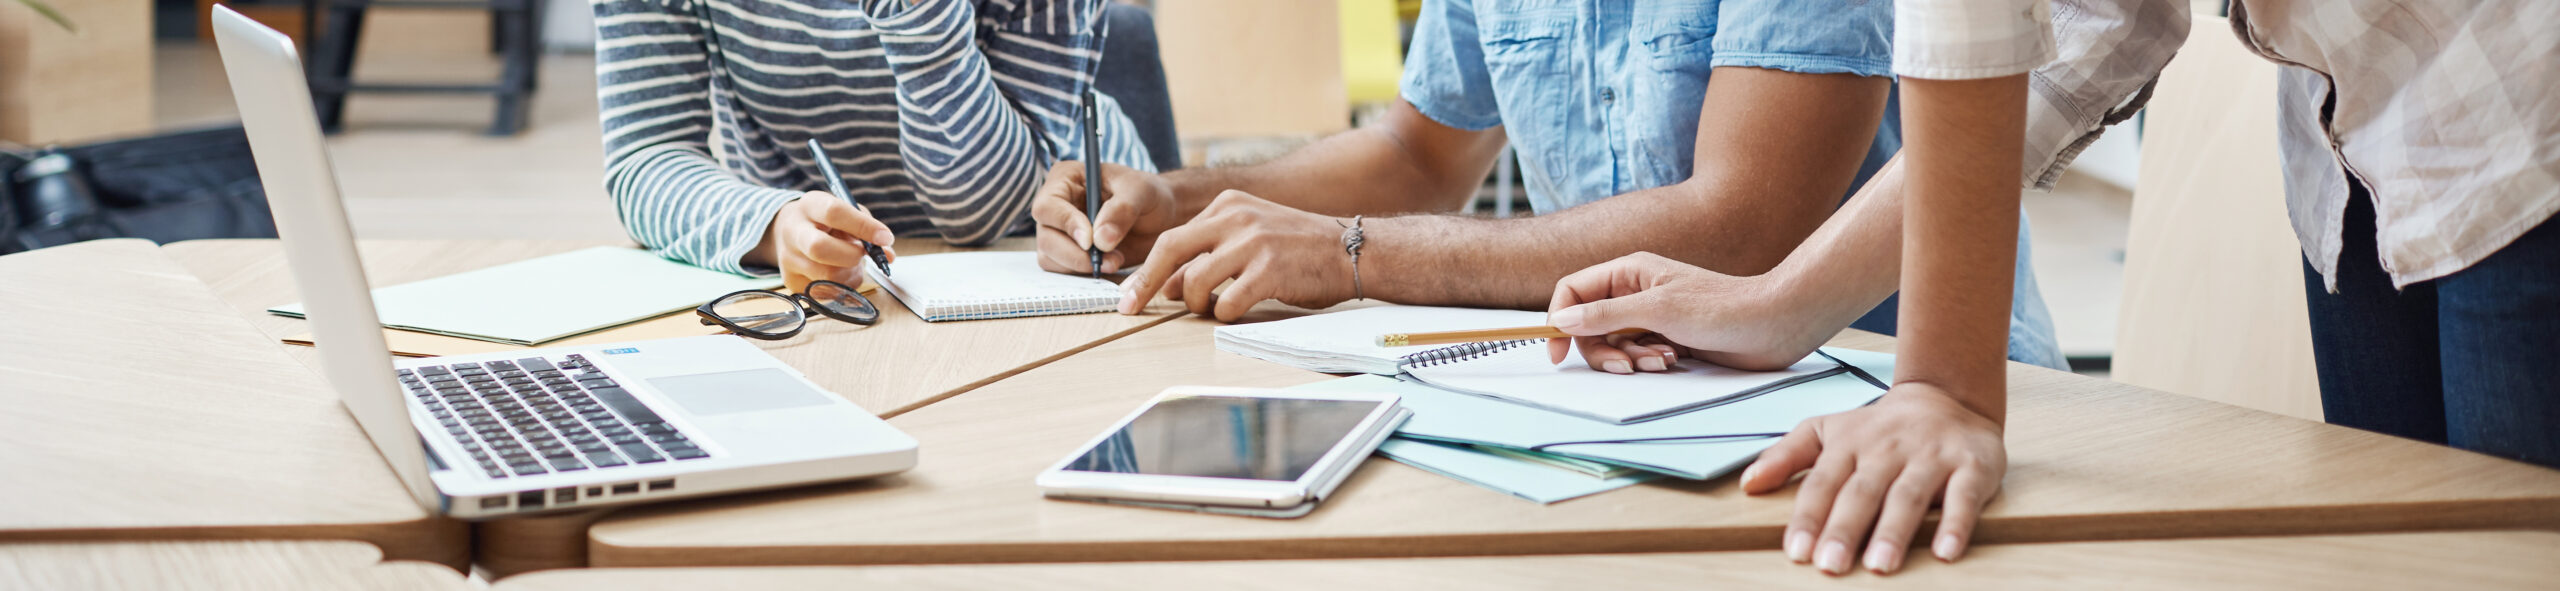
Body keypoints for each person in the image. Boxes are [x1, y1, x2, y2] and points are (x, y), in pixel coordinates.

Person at [1550, 0, 2560, 577]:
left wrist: (1943, 387)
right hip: (2360, 137)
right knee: (2409, 567)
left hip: (2524, 104)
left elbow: (1975, 25)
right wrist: (1783, 302)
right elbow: (2090, 31)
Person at [1031, 0, 2071, 372]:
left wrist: (1350, 252)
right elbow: (1418, 153)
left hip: (1888, 380)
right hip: (1641, 394)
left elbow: (1744, 226)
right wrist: (1183, 199)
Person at [591, 0, 1170, 291]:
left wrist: (920, 22)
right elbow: (647, 156)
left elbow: (981, 211)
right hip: (811, 284)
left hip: (1051, 259)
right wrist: (774, 227)